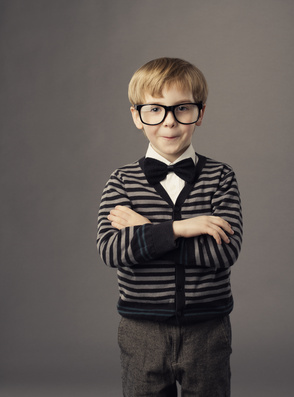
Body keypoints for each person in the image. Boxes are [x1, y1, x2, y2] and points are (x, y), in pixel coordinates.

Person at [96, 57, 243, 396]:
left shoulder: (221, 177)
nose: (169, 122)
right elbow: (112, 250)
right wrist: (180, 228)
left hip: (208, 329)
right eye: (155, 110)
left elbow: (223, 252)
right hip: (141, 330)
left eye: (182, 109)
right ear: (137, 115)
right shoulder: (121, 182)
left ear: (200, 113)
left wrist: (147, 229)